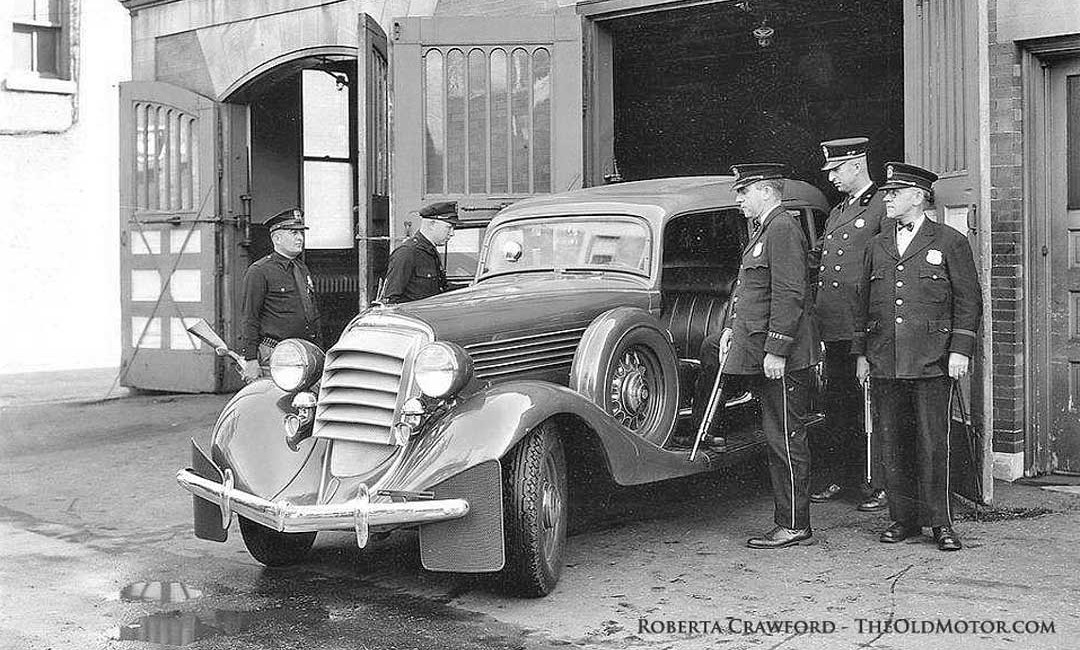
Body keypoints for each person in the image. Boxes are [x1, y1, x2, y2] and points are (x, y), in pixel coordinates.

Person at [852, 162, 982, 552]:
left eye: (894, 192)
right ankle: (902, 518)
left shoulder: (949, 242)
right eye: (886, 192)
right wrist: (861, 354)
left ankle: (940, 523)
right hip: (886, 359)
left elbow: (969, 301)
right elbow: (863, 304)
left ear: (918, 196)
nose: (887, 199)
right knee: (893, 442)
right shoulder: (877, 244)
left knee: (932, 442)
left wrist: (960, 350)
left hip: (932, 361)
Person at [697, 163, 817, 549]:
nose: (738, 199)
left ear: (766, 191)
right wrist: (732, 326)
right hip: (760, 349)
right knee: (776, 435)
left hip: (782, 357)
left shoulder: (781, 229)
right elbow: (749, 289)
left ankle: (795, 524)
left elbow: (789, 294)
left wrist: (777, 350)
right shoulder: (764, 230)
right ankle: (790, 520)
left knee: (785, 438)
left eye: (744, 192)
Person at [810, 137, 889, 512]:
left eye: (837, 170)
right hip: (835, 325)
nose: (832, 178)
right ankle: (846, 476)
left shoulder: (881, 207)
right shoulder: (839, 211)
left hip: (865, 324)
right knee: (839, 404)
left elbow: (889, 271)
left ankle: (880, 482)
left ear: (856, 165)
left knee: (873, 405)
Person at [238, 208, 321, 382]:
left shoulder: (301, 268)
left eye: (301, 233)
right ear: (277, 238)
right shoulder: (259, 271)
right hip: (276, 354)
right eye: (293, 233)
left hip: (303, 353)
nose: (300, 238)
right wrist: (251, 359)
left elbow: (312, 313)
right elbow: (249, 317)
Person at [381, 201, 460, 304]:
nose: (452, 233)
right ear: (432, 224)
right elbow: (391, 299)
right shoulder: (407, 253)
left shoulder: (430, 252)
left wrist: (470, 287)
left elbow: (440, 288)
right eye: (449, 227)